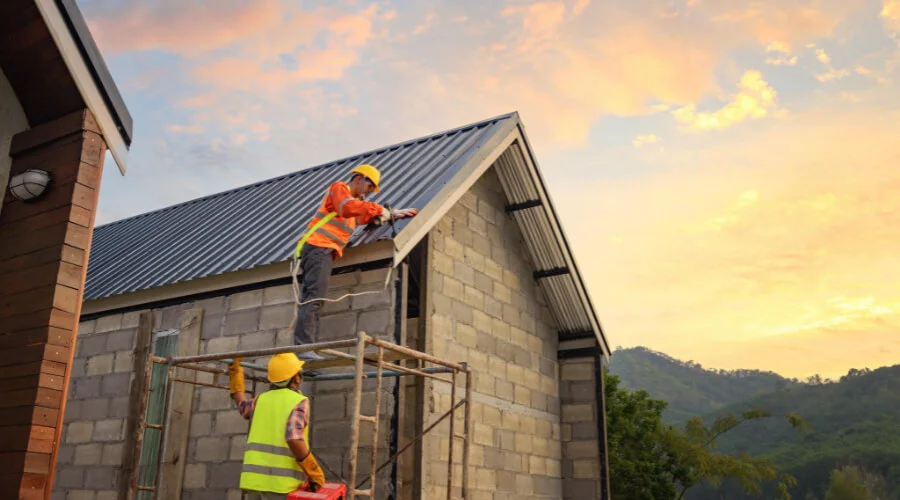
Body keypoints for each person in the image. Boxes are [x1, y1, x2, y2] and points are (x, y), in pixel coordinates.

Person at [291, 164, 418, 360]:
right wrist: (379, 209)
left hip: (322, 251)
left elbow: (365, 215)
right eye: (369, 187)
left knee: (315, 298)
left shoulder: (355, 205)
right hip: (318, 248)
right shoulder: (339, 189)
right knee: (314, 298)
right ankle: (303, 349)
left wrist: (393, 213)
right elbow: (348, 207)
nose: (368, 193)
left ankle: (305, 348)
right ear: (359, 179)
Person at [229, 353, 325, 498]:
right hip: (281, 486)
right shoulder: (298, 401)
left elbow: (243, 406)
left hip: (254, 483)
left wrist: (236, 374)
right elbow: (294, 438)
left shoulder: (260, 400)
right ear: (296, 377)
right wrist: (313, 472)